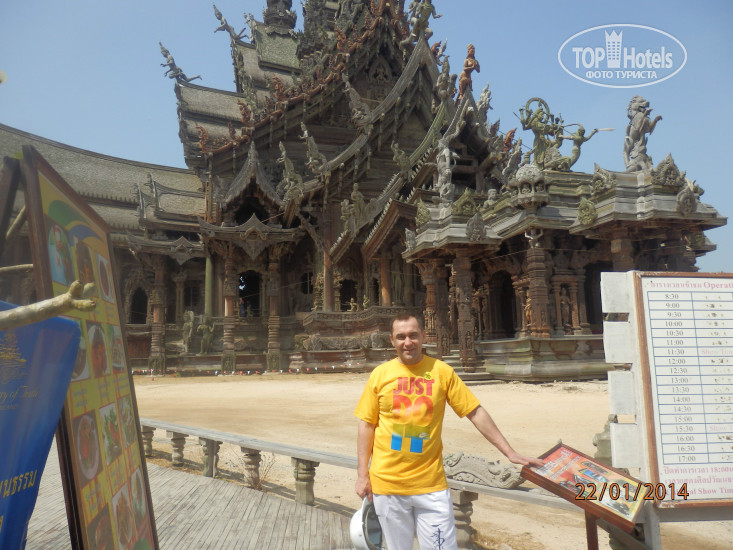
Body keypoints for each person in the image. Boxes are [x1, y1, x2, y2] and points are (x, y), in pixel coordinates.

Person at [354, 314, 543, 550]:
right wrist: (362, 475)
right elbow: (367, 425)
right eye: (401, 337)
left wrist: (509, 452)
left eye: (413, 335)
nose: (407, 342)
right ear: (392, 340)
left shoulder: (442, 372)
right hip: (388, 485)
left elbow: (474, 412)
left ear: (423, 336)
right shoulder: (380, 375)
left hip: (430, 486)